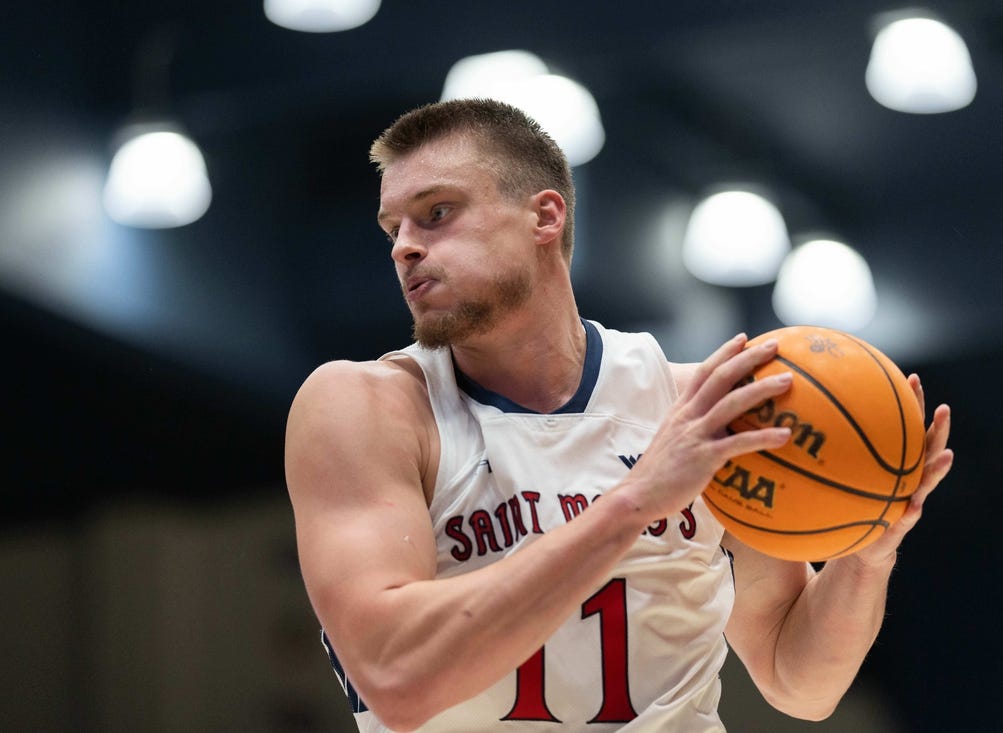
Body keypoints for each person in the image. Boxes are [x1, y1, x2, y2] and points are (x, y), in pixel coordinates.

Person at [284, 98, 954, 733]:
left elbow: (796, 677)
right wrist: (633, 501)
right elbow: (395, 675)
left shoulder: (702, 405)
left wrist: (866, 555)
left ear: (544, 217)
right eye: (392, 228)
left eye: (436, 213)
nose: (404, 246)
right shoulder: (366, 407)